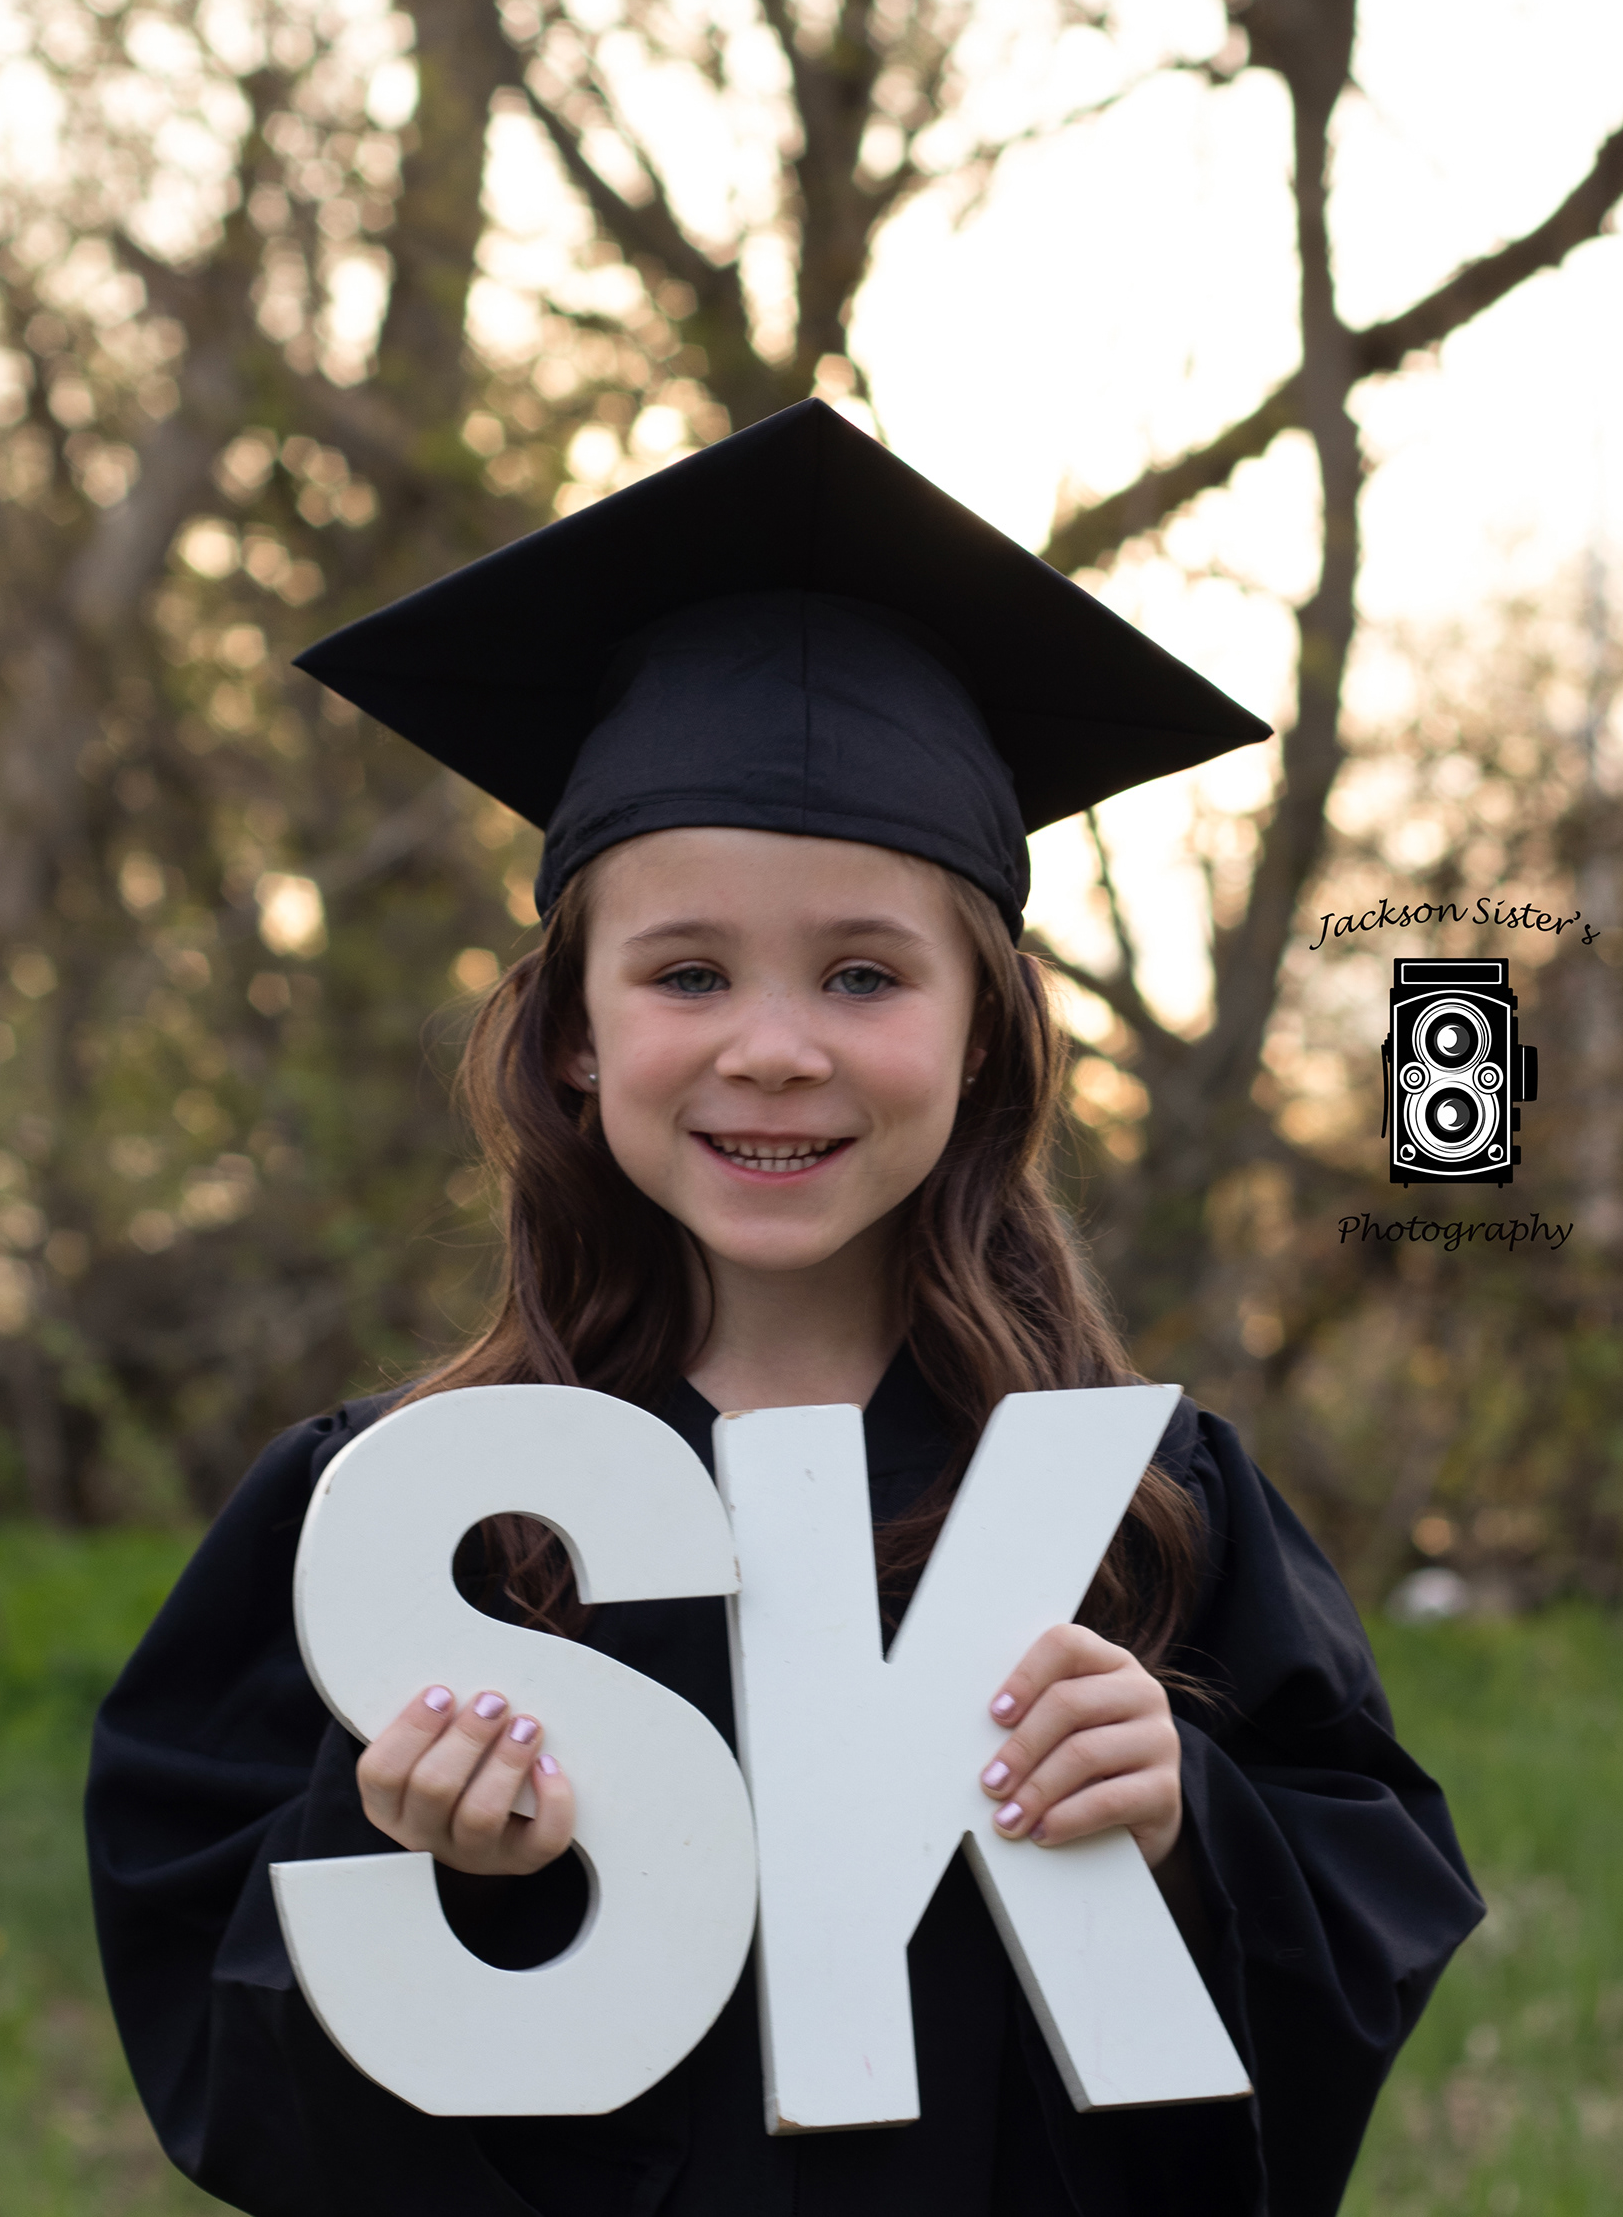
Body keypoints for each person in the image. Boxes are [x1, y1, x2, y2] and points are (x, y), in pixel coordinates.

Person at [87, 400, 1483, 2217]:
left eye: (862, 974)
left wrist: (1183, 1820)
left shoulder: (1141, 1501)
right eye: (687, 972)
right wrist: (410, 1849)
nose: (773, 1046)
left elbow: (1359, 1885)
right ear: (574, 1037)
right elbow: (210, 1987)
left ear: (981, 1037)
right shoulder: (405, 1523)